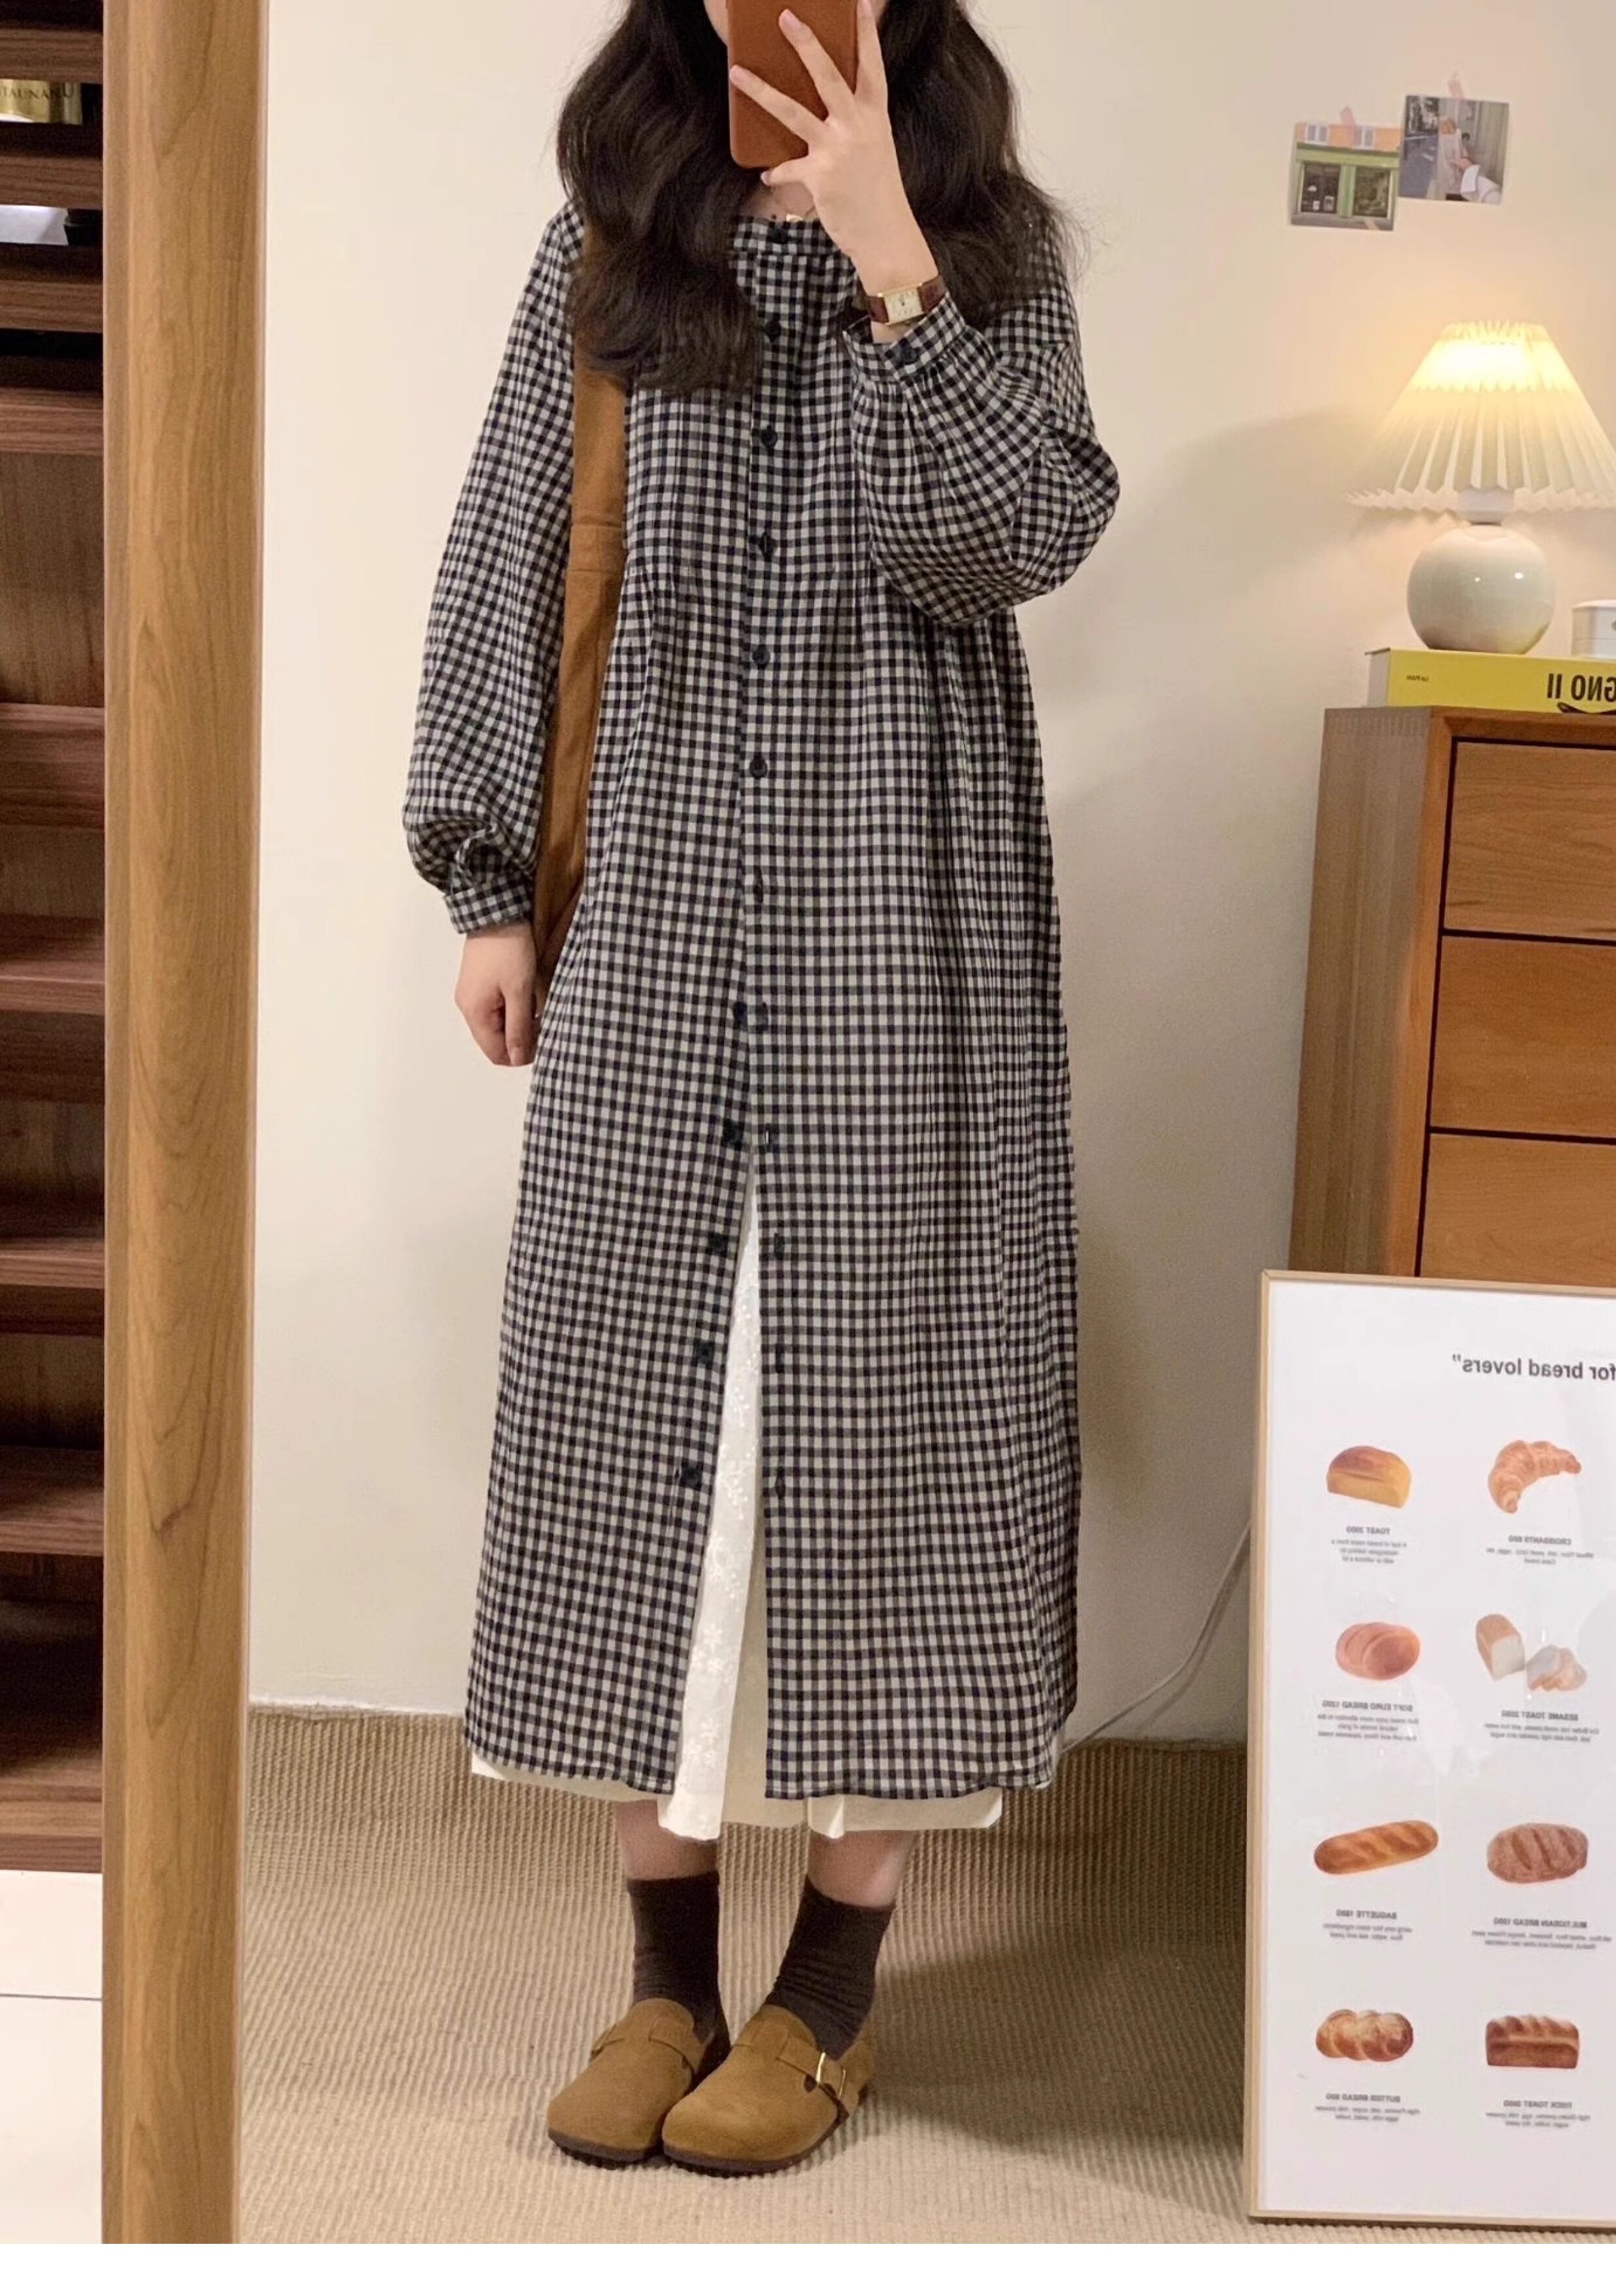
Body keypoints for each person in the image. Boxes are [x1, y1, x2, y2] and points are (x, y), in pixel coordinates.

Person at [403, 0, 1119, 2177]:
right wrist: (488, 883)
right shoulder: (611, 235)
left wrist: (896, 253)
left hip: (908, 918)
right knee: (633, 1425)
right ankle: (663, 1986)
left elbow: (1017, 535)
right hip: (653, 918)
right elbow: (515, 545)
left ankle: (826, 2000)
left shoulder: (989, 246)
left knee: (899, 1428)